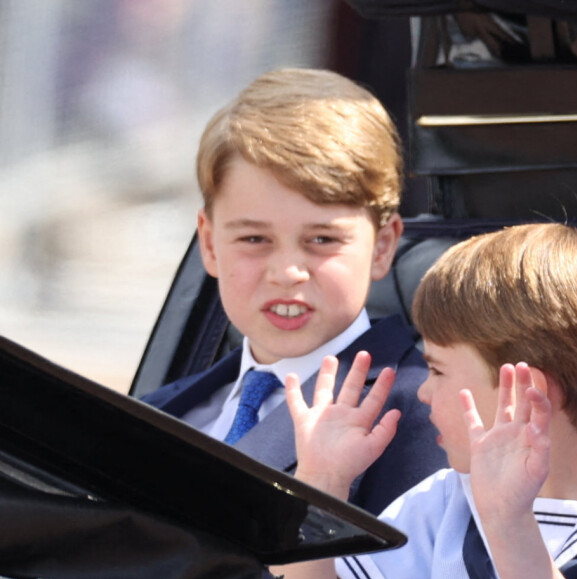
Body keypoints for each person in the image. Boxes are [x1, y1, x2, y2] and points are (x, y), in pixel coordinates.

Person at [142, 67, 447, 515]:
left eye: (321, 240)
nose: (287, 272)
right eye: (253, 239)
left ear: (383, 245)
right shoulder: (163, 412)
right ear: (209, 243)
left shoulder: (420, 414)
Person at [273, 222, 577, 579]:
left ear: (525, 395)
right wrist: (321, 483)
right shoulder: (443, 500)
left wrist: (507, 525)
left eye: (438, 371)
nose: (423, 391)